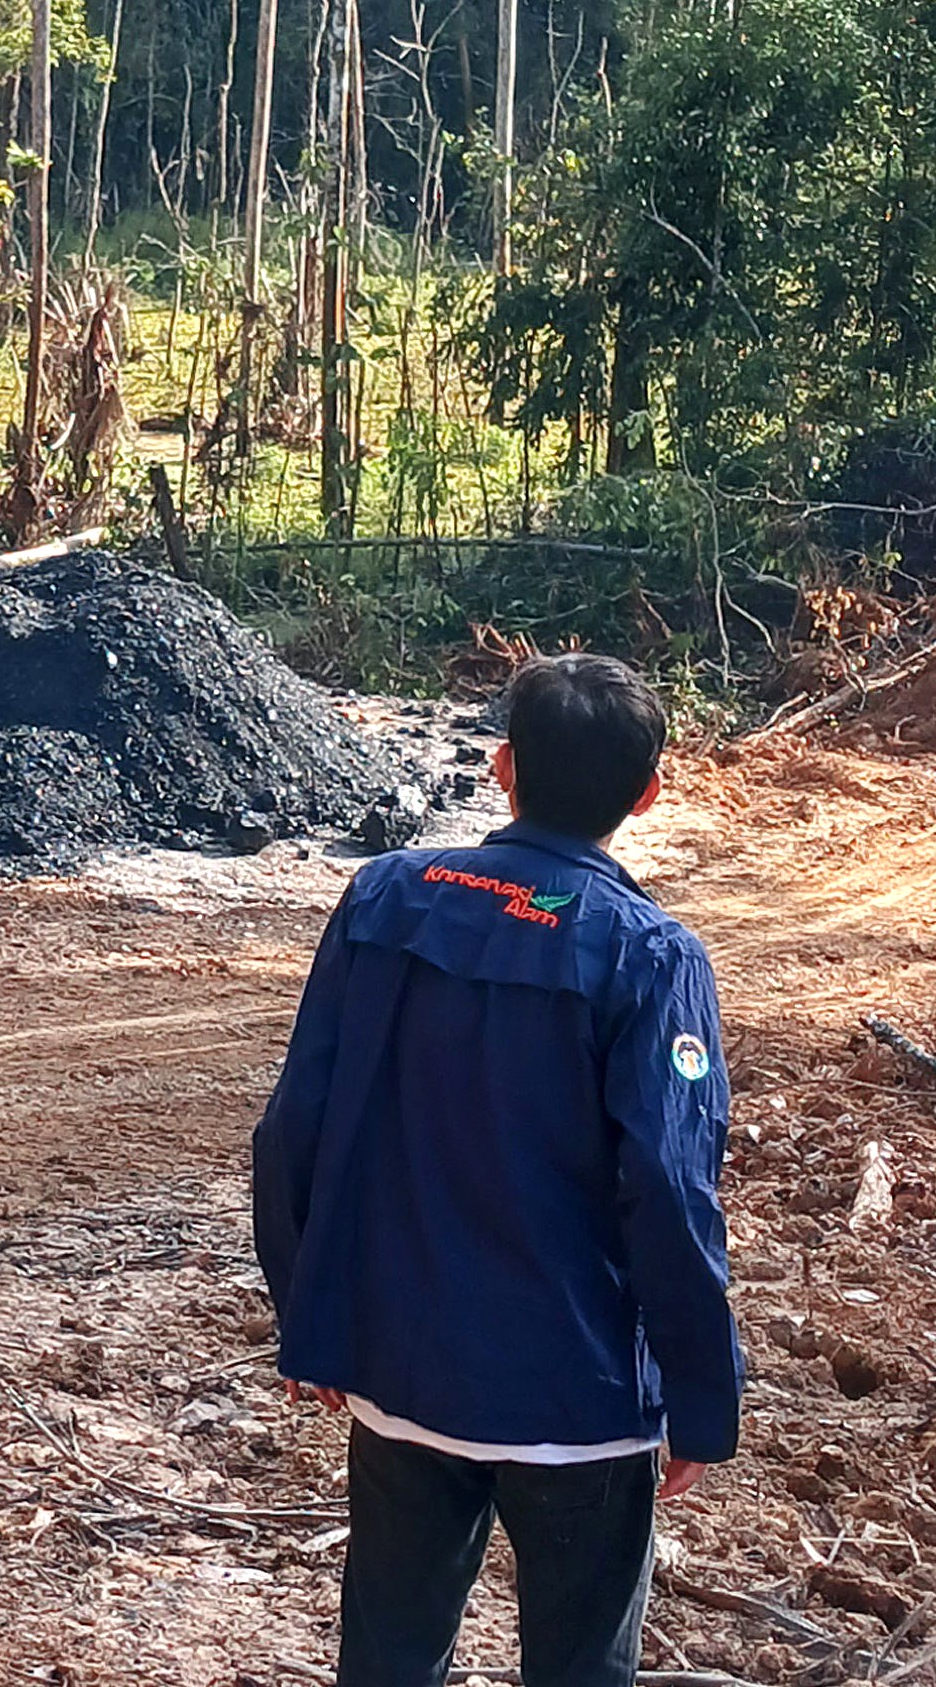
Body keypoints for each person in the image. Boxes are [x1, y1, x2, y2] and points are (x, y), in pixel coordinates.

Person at [249, 651, 739, 1687]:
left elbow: (295, 1122)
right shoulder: (649, 957)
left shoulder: (386, 897)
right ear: (647, 795)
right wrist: (701, 1393)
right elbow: (669, 1189)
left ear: (501, 766)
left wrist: (312, 1320)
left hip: (398, 1376)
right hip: (578, 1404)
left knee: (386, 1655)